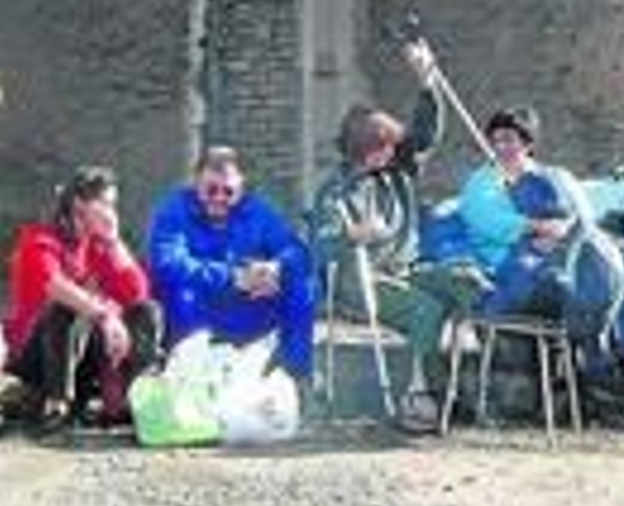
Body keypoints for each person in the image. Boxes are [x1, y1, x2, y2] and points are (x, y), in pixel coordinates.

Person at [310, 93, 487, 428]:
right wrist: (354, 235)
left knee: (466, 283)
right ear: (369, 150)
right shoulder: (336, 192)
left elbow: (422, 137)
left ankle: (452, 392)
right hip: (360, 283)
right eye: (387, 146)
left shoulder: (395, 174)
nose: (395, 152)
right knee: (425, 309)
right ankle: (417, 396)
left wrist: (427, 87)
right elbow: (322, 245)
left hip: (405, 272)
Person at [452, 105, 624, 370]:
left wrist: (564, 234)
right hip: (511, 269)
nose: (500, 147)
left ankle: (597, 350)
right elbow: (485, 220)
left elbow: (584, 219)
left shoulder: (556, 177)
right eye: (495, 140)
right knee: (581, 276)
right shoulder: (483, 183)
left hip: (563, 257)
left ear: (527, 143)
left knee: (593, 252)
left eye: (509, 139)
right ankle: (615, 340)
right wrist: (535, 227)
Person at [3, 166, 163, 430]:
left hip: (83, 352)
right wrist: (106, 315)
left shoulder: (99, 244)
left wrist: (114, 243)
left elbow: (137, 294)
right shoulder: (38, 239)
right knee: (69, 309)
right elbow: (55, 286)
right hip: (38, 357)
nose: (111, 212)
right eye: (104, 204)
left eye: (114, 205)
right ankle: (57, 405)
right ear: (78, 204)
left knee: (147, 311)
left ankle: (134, 400)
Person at [147, 146, 316, 383]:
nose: (218, 198)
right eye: (210, 190)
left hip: (248, 304)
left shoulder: (259, 211)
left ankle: (292, 378)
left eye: (228, 192)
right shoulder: (173, 211)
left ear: (242, 188)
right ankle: (190, 375)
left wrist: (275, 269)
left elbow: (296, 251)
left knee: (302, 289)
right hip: (198, 307)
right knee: (180, 291)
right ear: (196, 182)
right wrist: (233, 277)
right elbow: (167, 263)